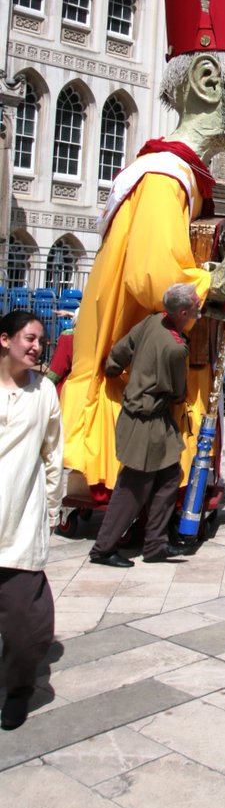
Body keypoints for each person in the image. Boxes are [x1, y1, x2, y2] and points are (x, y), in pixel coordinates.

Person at [60, 0, 225, 496]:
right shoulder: (163, 176)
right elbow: (154, 280)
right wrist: (219, 282)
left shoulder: (185, 179)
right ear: (206, 79)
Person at [89, 285, 202, 567]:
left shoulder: (152, 319)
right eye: (196, 305)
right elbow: (178, 391)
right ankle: (103, 549)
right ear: (184, 312)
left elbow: (121, 350)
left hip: (153, 420)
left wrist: (115, 368)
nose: (200, 308)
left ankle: (155, 544)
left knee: (169, 477)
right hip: (146, 420)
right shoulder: (176, 347)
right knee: (133, 486)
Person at [0, 311, 63, 731]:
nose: (36, 347)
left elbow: (53, 452)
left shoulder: (45, 392)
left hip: (20, 521)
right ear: (5, 339)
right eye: (29, 338)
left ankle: (19, 689)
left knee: (27, 625)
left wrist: (53, 505)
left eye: (40, 340)